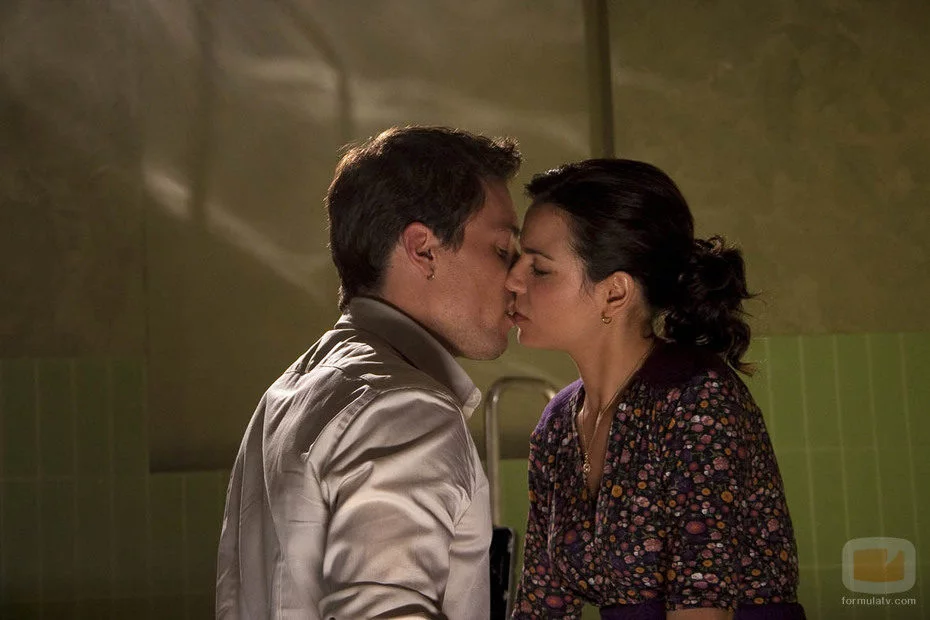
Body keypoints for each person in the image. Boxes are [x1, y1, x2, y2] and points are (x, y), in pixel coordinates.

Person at [215, 126, 522, 619]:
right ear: (423, 249)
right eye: (503, 250)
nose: (519, 278)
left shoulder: (290, 393)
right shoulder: (404, 409)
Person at [505, 159, 805, 619]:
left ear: (615, 293)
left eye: (539, 269)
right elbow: (542, 603)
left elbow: (703, 606)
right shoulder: (557, 425)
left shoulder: (697, 399)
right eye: (516, 260)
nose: (512, 279)